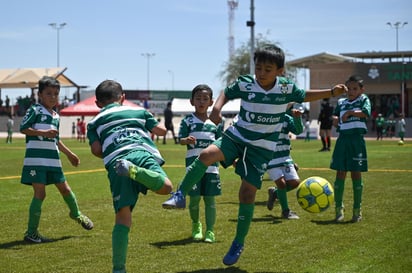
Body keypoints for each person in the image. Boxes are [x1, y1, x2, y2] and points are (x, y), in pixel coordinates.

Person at [162, 44, 347, 265]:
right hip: (237, 137)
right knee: (206, 155)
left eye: (267, 69)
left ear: (279, 71)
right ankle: (180, 195)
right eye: (258, 68)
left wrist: (332, 92)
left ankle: (238, 242)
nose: (261, 73)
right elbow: (226, 93)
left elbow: (304, 95)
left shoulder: (286, 88)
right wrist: (217, 108)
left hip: (261, 149)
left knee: (247, 194)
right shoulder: (246, 82)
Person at [86, 80, 173, 273]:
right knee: (166, 187)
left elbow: (96, 150)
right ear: (122, 98)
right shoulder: (138, 112)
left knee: (122, 217)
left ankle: (119, 269)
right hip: (141, 153)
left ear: (98, 103)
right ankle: (134, 170)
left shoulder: (93, 123)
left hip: (117, 162)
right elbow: (161, 131)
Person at [20, 76, 93, 243]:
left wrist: (69, 154)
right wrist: (43, 133)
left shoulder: (56, 115)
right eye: (49, 93)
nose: (53, 96)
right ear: (40, 94)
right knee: (40, 193)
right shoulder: (35, 110)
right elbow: (23, 128)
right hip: (36, 161)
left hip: (53, 160)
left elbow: (56, 139)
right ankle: (31, 233)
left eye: (56, 93)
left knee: (65, 189)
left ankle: (76, 214)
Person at [178, 84, 223, 243]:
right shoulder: (188, 120)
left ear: (211, 102)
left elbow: (221, 143)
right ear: (192, 101)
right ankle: (196, 225)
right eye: (198, 98)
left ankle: (210, 231)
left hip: (211, 168)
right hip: (193, 167)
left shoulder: (216, 122)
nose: (201, 101)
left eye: (205, 99)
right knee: (195, 198)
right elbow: (180, 139)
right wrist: (185, 140)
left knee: (210, 199)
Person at [330, 75, 371, 223]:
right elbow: (335, 118)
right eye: (349, 89)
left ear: (361, 90)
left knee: (356, 174)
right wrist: (335, 120)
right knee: (340, 173)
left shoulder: (363, 99)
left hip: (356, 141)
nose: (351, 91)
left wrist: (351, 113)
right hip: (343, 140)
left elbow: (366, 113)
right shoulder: (341, 102)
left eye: (355, 88)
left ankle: (356, 210)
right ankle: (338, 209)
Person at [266, 104, 303, 220]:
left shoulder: (286, 118)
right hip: (270, 157)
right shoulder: (265, 118)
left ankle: (275, 193)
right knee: (281, 183)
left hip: (285, 157)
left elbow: (298, 131)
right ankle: (285, 211)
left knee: (295, 183)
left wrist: (297, 118)